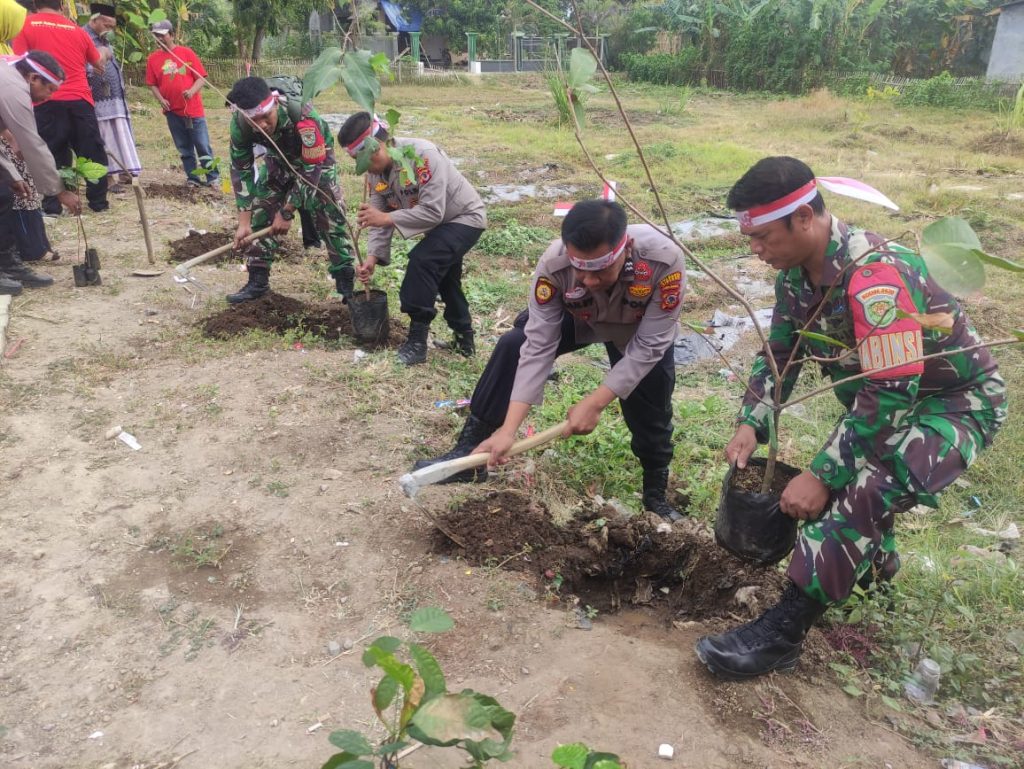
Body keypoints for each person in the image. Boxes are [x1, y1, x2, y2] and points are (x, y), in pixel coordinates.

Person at [695, 156, 1007, 679]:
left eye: (764, 236)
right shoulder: (796, 277)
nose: (755, 250)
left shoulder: (876, 277)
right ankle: (874, 582)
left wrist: (822, 475)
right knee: (861, 475)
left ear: (804, 218)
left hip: (954, 404)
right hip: (890, 402)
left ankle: (783, 633)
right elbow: (781, 353)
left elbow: (891, 390)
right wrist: (752, 420)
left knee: (864, 486)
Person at [412, 200, 687, 522]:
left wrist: (595, 402)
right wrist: (509, 430)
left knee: (650, 401)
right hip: (580, 317)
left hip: (636, 331)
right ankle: (469, 453)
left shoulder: (663, 260)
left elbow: (650, 345)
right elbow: (539, 345)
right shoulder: (554, 264)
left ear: (625, 248)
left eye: (600, 270)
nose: (589, 280)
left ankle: (655, 494)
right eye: (580, 269)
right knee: (514, 344)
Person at [338, 112, 486, 365]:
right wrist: (372, 258)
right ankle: (464, 341)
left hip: (464, 218)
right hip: (439, 226)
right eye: (356, 161)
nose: (362, 167)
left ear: (377, 147)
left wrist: (385, 218)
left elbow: (432, 211)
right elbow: (378, 215)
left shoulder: (422, 156)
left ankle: (417, 342)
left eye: (362, 158)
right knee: (447, 280)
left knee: (423, 261)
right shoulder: (374, 173)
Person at [223, 76, 352, 304]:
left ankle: (346, 287)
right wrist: (244, 222)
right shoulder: (240, 125)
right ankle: (257, 282)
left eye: (266, 116)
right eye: (255, 121)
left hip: (317, 160)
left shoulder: (303, 116)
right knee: (262, 209)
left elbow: (311, 168)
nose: (262, 125)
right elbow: (241, 170)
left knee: (330, 215)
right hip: (279, 160)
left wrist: (287, 211)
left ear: (274, 103)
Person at [12, 0, 110, 214]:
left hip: (44, 98)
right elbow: (97, 63)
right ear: (62, 6)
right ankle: (98, 203)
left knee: (50, 152)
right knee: (91, 150)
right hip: (79, 99)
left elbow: (18, 64)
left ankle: (52, 206)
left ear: (36, 4)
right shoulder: (77, 31)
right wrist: (103, 51)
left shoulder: (25, 25)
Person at [0, 49, 81, 294]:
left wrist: (12, 175)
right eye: (50, 90)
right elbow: (31, 143)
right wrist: (59, 192)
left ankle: (6, 264)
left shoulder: (9, 78)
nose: (49, 97)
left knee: (4, 196)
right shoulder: (14, 87)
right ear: (34, 78)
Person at [145, 20, 217, 187]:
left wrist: (191, 91)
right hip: (172, 111)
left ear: (172, 35)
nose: (159, 39)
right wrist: (161, 99)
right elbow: (152, 84)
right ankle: (193, 178)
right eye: (156, 36)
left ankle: (213, 178)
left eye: (162, 35)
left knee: (202, 145)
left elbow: (201, 78)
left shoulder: (186, 53)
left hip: (193, 110)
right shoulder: (153, 59)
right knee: (184, 147)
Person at [83, 2, 141, 189]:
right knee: (104, 137)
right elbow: (81, 66)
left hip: (115, 99)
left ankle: (124, 172)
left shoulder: (104, 40)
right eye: (106, 25)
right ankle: (108, 179)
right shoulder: (83, 37)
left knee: (120, 135)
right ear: (94, 20)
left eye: (112, 27)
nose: (110, 30)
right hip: (98, 101)